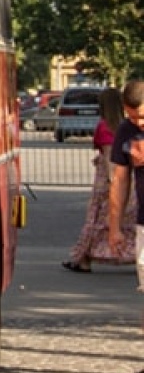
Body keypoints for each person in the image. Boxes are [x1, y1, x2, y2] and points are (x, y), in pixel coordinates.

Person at [65, 87, 133, 272]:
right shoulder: (126, 125)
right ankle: (131, 254)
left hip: (108, 179)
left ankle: (84, 258)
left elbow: (111, 156)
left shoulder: (105, 126)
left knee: (97, 220)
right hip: (129, 177)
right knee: (127, 220)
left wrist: (113, 182)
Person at [106, 80, 144, 373]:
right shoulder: (125, 132)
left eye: (143, 118)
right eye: (132, 118)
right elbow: (119, 181)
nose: (138, 124)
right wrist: (115, 227)